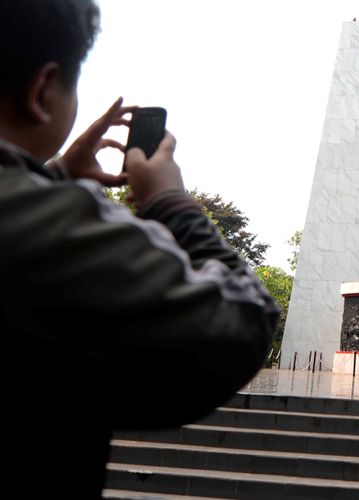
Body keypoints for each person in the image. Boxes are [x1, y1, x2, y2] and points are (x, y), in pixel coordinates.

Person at [1, 1, 278, 496]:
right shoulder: (58, 225)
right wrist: (169, 201)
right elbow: (239, 325)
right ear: (41, 89)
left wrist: (54, 176)